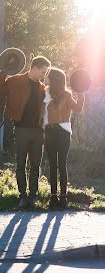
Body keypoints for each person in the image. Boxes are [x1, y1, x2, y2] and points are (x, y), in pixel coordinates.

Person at [0, 55, 51, 208]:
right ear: (35, 68)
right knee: (20, 164)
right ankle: (22, 196)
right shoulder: (15, 81)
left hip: (39, 131)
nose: (44, 75)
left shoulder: (42, 88)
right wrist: (4, 71)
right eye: (43, 72)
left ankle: (33, 196)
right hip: (21, 129)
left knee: (35, 165)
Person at [43, 67, 85, 209]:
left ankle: (61, 197)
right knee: (55, 165)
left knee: (60, 165)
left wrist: (81, 92)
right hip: (52, 131)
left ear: (54, 79)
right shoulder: (46, 93)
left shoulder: (66, 95)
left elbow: (78, 108)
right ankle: (55, 197)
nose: (46, 78)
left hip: (61, 132)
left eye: (48, 76)